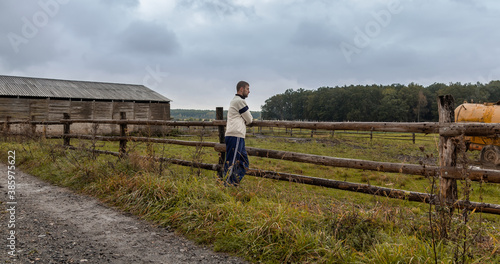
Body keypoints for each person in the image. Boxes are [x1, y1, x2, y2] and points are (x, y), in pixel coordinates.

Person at [223, 81, 253, 186]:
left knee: (244, 162)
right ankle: (227, 185)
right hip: (235, 135)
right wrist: (244, 120)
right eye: (247, 89)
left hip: (238, 136)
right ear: (241, 89)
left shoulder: (236, 101)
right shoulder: (239, 101)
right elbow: (249, 119)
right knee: (232, 162)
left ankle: (233, 183)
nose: (249, 91)